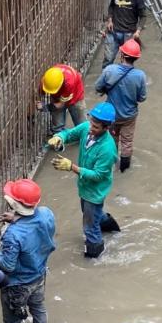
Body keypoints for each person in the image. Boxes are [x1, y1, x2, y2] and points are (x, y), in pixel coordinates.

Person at [0, 178, 56, 323]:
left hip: (16, 285)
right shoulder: (46, 214)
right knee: (38, 308)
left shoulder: (13, 235)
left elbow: (8, 265)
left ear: (15, 204)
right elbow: (35, 227)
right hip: (38, 276)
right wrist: (17, 218)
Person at [47, 102, 121, 258]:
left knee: (89, 228)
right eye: (91, 122)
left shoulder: (108, 149)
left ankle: (94, 255)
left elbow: (98, 175)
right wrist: (59, 137)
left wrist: (72, 167)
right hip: (84, 187)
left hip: (94, 192)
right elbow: (70, 134)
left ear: (106, 128)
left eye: (96, 127)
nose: (91, 128)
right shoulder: (86, 128)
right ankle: (111, 227)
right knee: (92, 215)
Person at [95, 39, 148, 172]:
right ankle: (124, 169)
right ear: (135, 58)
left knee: (111, 140)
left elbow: (98, 87)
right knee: (127, 142)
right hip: (129, 116)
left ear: (122, 55)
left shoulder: (109, 70)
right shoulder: (140, 76)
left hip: (111, 115)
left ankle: (109, 167)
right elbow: (142, 98)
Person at [103, 0, 147, 67]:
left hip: (128, 34)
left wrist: (138, 31)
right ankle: (106, 79)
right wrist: (110, 20)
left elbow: (143, 16)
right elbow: (112, 6)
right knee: (108, 59)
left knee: (126, 63)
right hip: (114, 32)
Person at [40, 64, 85, 136]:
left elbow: (60, 105)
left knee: (81, 124)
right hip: (57, 97)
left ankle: (84, 137)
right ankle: (58, 139)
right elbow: (42, 90)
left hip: (75, 96)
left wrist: (45, 107)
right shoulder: (47, 78)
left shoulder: (69, 83)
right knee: (57, 126)